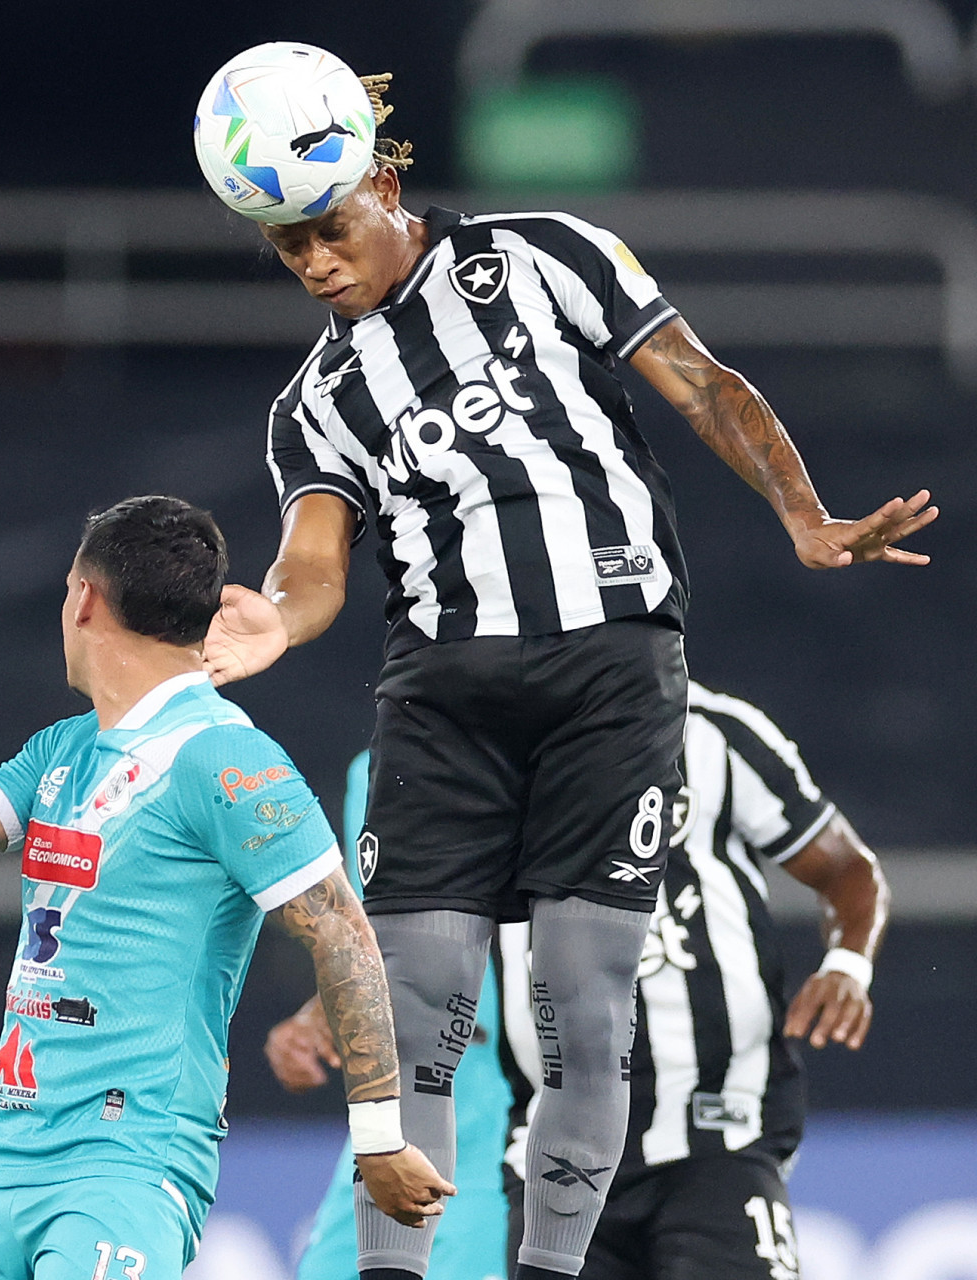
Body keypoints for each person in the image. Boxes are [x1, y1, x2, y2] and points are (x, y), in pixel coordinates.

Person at [191, 46, 934, 1280]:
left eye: (324, 227)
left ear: (381, 174)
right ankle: (397, 1272)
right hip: (441, 688)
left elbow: (702, 383)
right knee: (412, 1007)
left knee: (583, 1003)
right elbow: (313, 561)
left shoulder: (546, 254)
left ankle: (546, 1269)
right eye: (285, 247)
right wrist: (276, 615)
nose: (314, 262)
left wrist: (803, 512)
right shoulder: (314, 404)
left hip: (609, 666)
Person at [0, 496, 450, 1280]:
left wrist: (379, 1135)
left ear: (85, 597)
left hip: (127, 1161)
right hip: (2, 1151)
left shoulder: (226, 758)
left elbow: (342, 933)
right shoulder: (65, 750)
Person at [495, 681, 890, 1279]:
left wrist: (847, 964)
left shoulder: (717, 734)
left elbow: (846, 867)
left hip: (718, 1132)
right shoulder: (485, 748)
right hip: (555, 1144)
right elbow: (431, 910)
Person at [266, 751, 510, 1280]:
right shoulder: (374, 766)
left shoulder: (541, 755)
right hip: (388, 1132)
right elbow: (382, 943)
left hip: (502, 1131)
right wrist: (322, 1010)